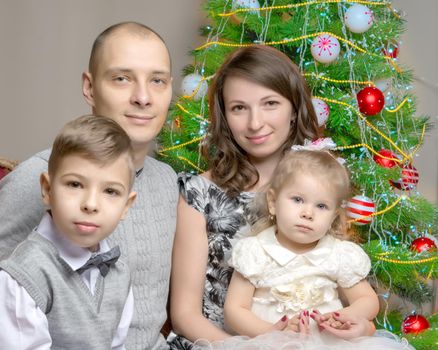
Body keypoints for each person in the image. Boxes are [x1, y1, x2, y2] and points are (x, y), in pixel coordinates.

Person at [168, 45, 374, 349]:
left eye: (270, 103)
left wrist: (360, 327)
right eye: (239, 108)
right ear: (224, 116)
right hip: (222, 343)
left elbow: (350, 298)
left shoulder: (321, 187)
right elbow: (185, 315)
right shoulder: (198, 194)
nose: (255, 123)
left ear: (294, 108)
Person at [0, 22, 178, 350]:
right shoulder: (36, 180)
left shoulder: (167, 181)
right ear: (90, 87)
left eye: (157, 81)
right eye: (122, 78)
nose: (143, 97)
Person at [0, 115, 137, 349]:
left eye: (111, 191)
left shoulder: (120, 273)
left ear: (126, 205)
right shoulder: (24, 276)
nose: (91, 204)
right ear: (47, 189)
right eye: (75, 184)